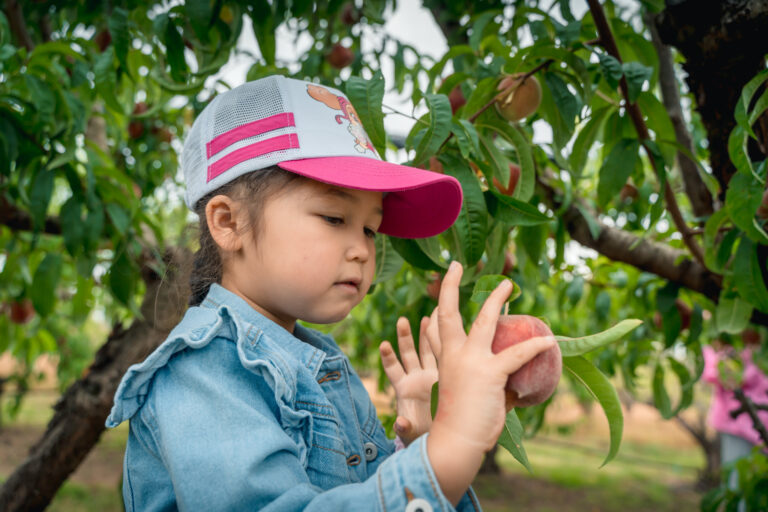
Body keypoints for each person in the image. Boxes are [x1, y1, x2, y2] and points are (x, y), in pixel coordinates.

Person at [106, 75, 555, 511]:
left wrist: (419, 447)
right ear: (229, 223)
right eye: (334, 218)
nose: (362, 249)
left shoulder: (320, 364)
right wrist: (453, 446)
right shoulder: (202, 372)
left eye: (371, 229)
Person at [702, 337, 768, 509]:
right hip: (739, 426)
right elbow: (717, 372)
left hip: (760, 423)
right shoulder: (728, 340)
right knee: (738, 485)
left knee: (758, 489)